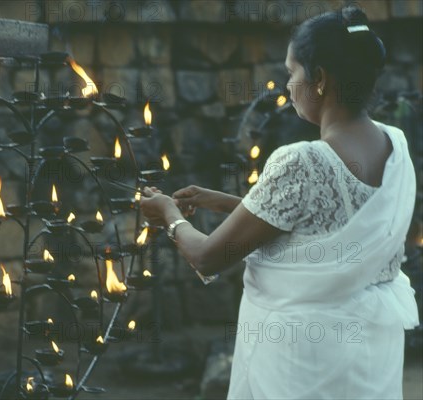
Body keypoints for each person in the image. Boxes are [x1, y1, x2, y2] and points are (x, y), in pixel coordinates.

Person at [140, 6, 419, 399]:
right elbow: (327, 223)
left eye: (292, 73)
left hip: (303, 362)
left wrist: (167, 213)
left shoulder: (301, 160)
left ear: (319, 79)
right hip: (368, 355)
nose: (288, 85)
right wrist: (227, 204)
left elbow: (207, 256)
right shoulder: (396, 147)